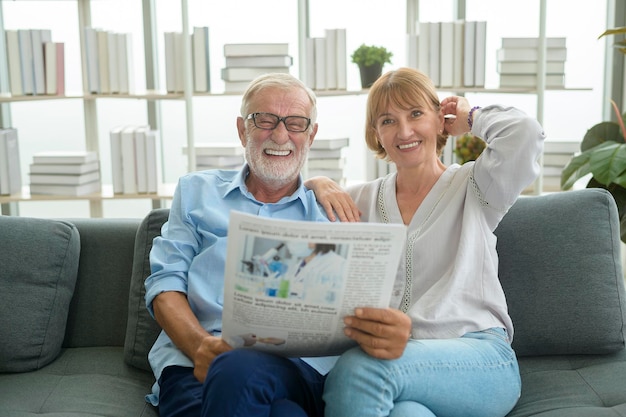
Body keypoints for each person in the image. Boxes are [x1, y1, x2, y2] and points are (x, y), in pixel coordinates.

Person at [306, 67, 546, 417]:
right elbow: (292, 218)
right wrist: (317, 181)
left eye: (416, 114)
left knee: (362, 369)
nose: (404, 131)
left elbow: (525, 134)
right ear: (377, 134)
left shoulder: (478, 186)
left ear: (439, 120)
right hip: (407, 369)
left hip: (479, 358)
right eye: (388, 121)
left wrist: (470, 115)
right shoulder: (357, 201)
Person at [144, 73, 335, 417]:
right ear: (241, 129)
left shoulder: (333, 212)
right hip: (197, 360)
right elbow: (164, 284)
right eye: (264, 120)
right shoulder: (194, 192)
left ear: (312, 134)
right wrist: (200, 346)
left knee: (237, 370)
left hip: (297, 368)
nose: (280, 135)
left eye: (295, 123)